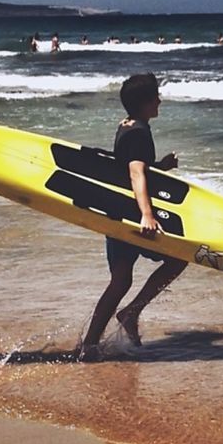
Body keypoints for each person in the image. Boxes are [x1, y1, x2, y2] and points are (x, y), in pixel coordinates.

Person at [80, 72, 185, 358]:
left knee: (121, 280)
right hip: (131, 214)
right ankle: (131, 312)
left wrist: (160, 166)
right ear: (144, 103)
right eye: (155, 98)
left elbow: (133, 167)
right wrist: (147, 215)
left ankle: (89, 343)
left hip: (117, 212)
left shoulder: (126, 125)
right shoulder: (139, 131)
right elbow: (135, 172)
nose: (159, 102)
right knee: (178, 259)